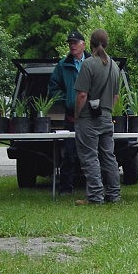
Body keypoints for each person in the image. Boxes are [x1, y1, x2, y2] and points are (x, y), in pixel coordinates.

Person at [73, 29, 122, 205]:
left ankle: (95, 196)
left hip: (89, 118)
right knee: (109, 156)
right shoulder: (115, 67)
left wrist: (77, 115)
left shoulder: (88, 64)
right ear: (106, 43)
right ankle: (114, 195)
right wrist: (107, 111)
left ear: (90, 43)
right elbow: (116, 97)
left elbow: (82, 95)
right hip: (107, 117)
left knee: (90, 157)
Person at [49, 30, 90, 194]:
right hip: (72, 117)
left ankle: (95, 187)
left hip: (90, 116)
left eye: (75, 42)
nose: (72, 45)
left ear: (83, 44)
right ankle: (66, 187)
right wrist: (67, 99)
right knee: (69, 154)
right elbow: (53, 87)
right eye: (70, 43)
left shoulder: (93, 62)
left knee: (92, 154)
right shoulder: (62, 65)